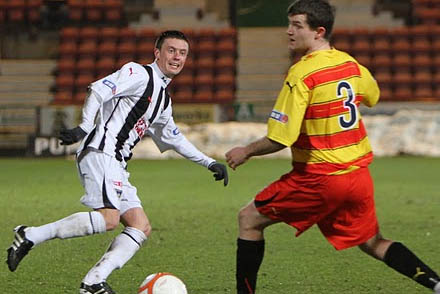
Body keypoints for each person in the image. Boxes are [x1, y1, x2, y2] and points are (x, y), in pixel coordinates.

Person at [225, 1, 440, 293]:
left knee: (248, 219)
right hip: (357, 178)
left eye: (297, 25)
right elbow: (373, 95)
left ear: (319, 31)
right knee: (374, 243)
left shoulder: (302, 75)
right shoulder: (350, 64)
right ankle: (436, 284)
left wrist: (245, 151)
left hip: (320, 178)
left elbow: (280, 137)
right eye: (289, 24)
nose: (289, 31)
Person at [6, 30, 228, 294]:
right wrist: (84, 127)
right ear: (157, 53)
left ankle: (93, 281)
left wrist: (209, 162)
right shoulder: (138, 73)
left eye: (182, 53)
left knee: (140, 226)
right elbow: (99, 89)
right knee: (109, 219)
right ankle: (30, 235)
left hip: (117, 163)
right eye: (171, 50)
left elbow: (174, 138)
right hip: (101, 152)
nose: (177, 57)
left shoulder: (164, 99)